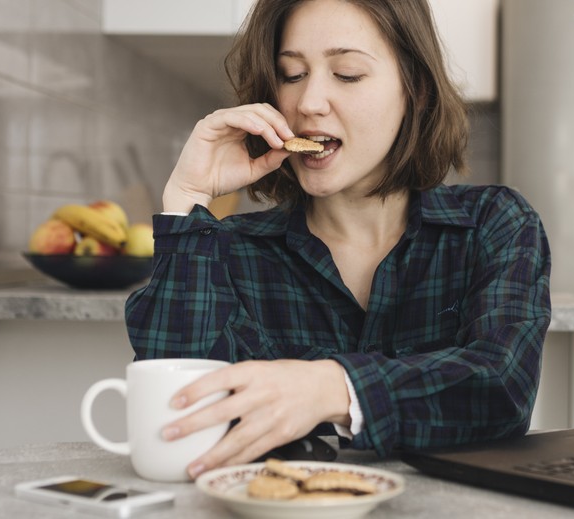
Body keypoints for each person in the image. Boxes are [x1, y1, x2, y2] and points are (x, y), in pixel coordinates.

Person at [125, 0, 551, 480]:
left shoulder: (493, 224)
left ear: (416, 89)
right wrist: (187, 198)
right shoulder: (230, 252)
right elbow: (178, 416)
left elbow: (502, 388)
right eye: (291, 74)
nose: (308, 102)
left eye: (347, 74)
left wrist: (333, 387)